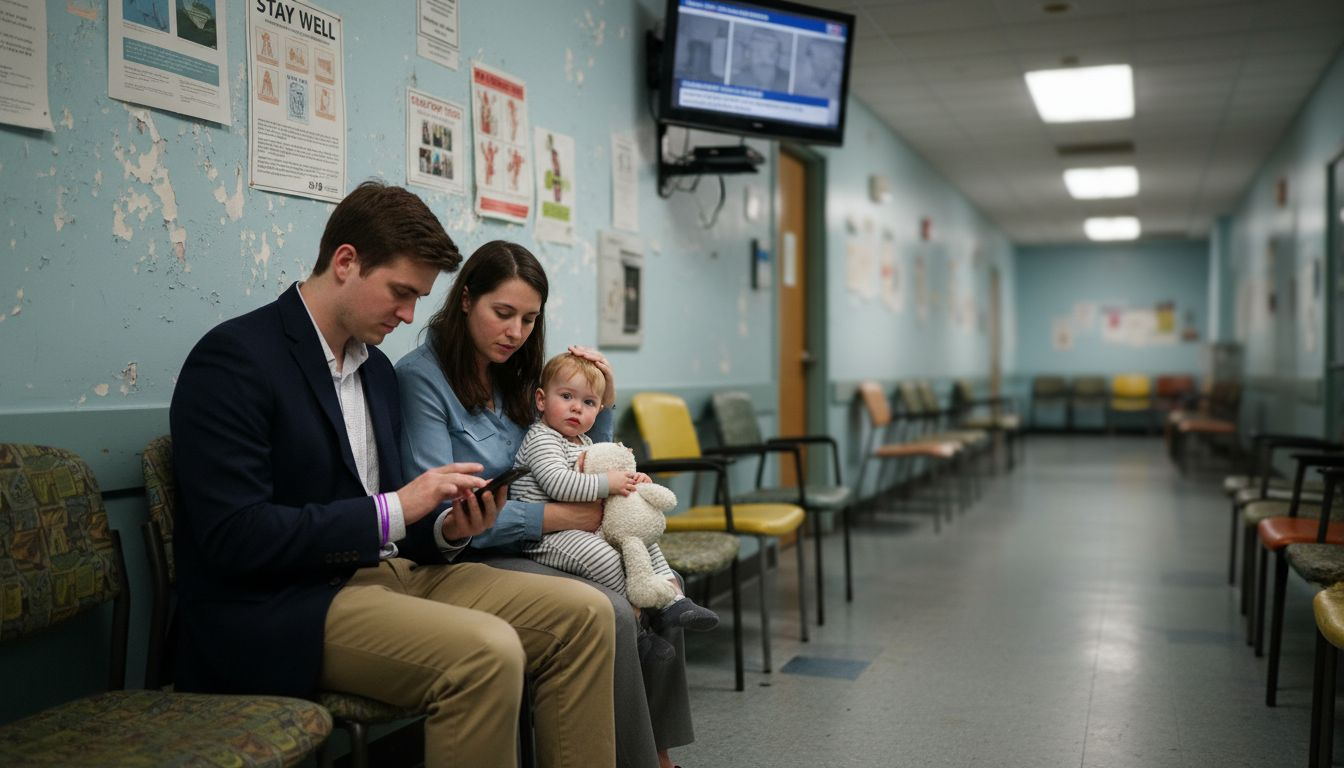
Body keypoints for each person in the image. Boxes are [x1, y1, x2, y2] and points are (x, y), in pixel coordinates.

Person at [170, 182, 616, 768]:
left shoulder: (376, 370)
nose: (409, 316)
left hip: (392, 572)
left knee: (587, 615)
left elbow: (410, 529)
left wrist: (452, 529)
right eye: (401, 293)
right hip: (283, 601)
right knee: (487, 653)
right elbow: (234, 535)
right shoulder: (235, 358)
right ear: (346, 262)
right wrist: (392, 511)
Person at [397, 241, 696, 768]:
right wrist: (559, 516)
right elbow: (441, 513)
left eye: (530, 319)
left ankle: (660, 753)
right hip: (479, 552)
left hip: (551, 541)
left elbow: (577, 451)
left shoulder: (518, 375)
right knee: (616, 611)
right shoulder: (422, 379)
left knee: (664, 589)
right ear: (466, 300)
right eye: (503, 314)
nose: (516, 333)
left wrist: (603, 401)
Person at [511, 352, 720, 662]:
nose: (576, 408)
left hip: (581, 526)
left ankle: (672, 601)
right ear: (541, 400)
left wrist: (633, 480)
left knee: (641, 540)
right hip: (545, 537)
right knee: (606, 558)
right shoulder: (543, 438)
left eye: (589, 403)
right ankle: (637, 629)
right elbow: (558, 484)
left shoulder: (583, 441)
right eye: (566, 396)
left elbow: (603, 476)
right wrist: (609, 483)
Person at [732, 27, 790, 91]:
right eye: (758, 51)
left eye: (769, 52)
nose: (763, 58)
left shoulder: (788, 80)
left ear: (777, 54)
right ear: (748, 53)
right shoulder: (737, 78)